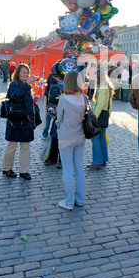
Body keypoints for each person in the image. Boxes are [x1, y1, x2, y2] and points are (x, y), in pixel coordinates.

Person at [2, 63, 40, 180]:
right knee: (11, 146)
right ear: (18, 73)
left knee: (25, 147)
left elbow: (25, 102)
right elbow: (16, 96)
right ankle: (7, 169)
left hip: (26, 121)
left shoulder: (26, 86)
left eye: (27, 72)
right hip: (15, 120)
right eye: (23, 72)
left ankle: (24, 171)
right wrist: (27, 84)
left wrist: (34, 101)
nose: (26, 75)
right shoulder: (14, 85)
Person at [56, 70, 86, 211]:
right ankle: (80, 200)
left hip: (66, 137)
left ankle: (68, 202)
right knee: (79, 168)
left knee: (67, 170)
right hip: (80, 136)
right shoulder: (83, 98)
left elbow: (59, 119)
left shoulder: (63, 99)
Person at [87, 69, 114, 170]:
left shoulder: (102, 86)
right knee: (102, 138)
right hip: (104, 115)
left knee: (95, 139)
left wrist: (93, 117)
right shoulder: (105, 85)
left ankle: (97, 161)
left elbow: (100, 104)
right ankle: (103, 159)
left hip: (99, 115)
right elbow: (109, 105)